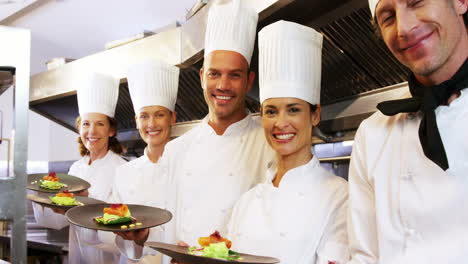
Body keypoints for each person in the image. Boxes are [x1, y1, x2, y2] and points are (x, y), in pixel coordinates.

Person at [115, 0, 274, 262]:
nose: (223, 85)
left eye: (234, 75)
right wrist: (143, 237)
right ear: (202, 77)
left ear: (249, 81)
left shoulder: (268, 144)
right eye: (214, 74)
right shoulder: (177, 150)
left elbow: (272, 232)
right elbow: (167, 230)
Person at [348, 0, 468, 263]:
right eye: (388, 17)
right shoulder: (372, 133)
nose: (404, 28)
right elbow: (364, 256)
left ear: (460, 2)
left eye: (416, 2)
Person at [227, 20, 349, 264]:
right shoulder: (247, 201)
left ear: (314, 115)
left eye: (293, 110)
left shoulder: (339, 195)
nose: (281, 123)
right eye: (271, 111)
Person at [31, 72, 127, 263]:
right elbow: (58, 222)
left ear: (111, 130)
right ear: (79, 128)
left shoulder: (122, 169)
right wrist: (41, 198)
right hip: (77, 257)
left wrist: (86, 208)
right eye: (86, 124)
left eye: (100, 124)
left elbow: (123, 229)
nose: (92, 131)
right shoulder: (76, 169)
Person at [103, 59, 179, 264]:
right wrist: (137, 240)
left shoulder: (187, 169)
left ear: (172, 118)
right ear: (136, 121)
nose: (151, 124)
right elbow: (113, 232)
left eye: (159, 115)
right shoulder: (124, 173)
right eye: (144, 116)